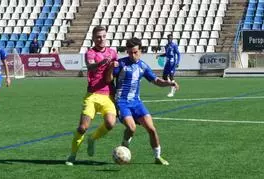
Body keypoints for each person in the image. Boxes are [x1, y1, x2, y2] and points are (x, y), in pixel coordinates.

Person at [107, 37, 179, 165]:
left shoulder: (143, 66)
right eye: (129, 52)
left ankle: (157, 157)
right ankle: (125, 144)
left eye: (135, 52)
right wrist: (111, 69)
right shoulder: (121, 64)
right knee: (132, 127)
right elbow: (109, 79)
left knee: (151, 129)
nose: (132, 55)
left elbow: (156, 81)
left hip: (136, 103)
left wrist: (169, 83)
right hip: (122, 103)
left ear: (141, 51)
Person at [65, 26, 118, 166]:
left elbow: (115, 72)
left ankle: (92, 139)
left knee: (110, 124)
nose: (101, 39)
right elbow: (90, 66)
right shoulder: (90, 52)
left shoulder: (113, 52)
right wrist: (103, 62)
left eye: (103, 36)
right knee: (82, 127)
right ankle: (72, 155)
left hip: (108, 95)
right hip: (92, 95)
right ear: (93, 38)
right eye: (98, 37)